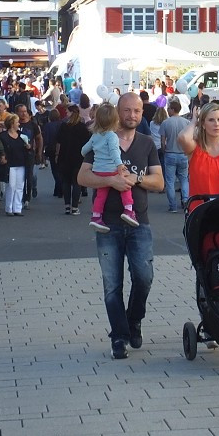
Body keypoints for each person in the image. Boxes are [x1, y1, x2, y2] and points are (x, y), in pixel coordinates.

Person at [76, 93, 164, 360]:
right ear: (118, 111)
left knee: (144, 277)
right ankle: (119, 336)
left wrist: (135, 179)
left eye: (137, 111)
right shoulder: (101, 137)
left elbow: (158, 182)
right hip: (108, 225)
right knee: (112, 285)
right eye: (127, 111)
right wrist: (111, 182)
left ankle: (133, 320)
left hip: (139, 222)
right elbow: (82, 176)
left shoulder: (147, 143)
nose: (133, 116)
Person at [82, 103, 139, 231]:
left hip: (98, 171)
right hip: (111, 169)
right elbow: (114, 151)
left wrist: (84, 153)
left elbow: (84, 149)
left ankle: (96, 216)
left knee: (101, 195)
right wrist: (119, 165)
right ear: (115, 120)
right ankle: (128, 210)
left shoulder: (95, 136)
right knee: (125, 186)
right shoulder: (112, 136)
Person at [55, 104, 91, 215]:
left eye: (67, 112)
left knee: (66, 182)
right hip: (78, 157)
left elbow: (58, 142)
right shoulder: (82, 127)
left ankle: (67, 206)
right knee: (76, 182)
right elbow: (87, 144)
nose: (66, 114)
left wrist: (57, 155)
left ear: (71, 113)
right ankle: (74, 207)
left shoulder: (64, 126)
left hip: (64, 157)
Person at [158, 97, 191, 212]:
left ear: (172, 109)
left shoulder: (165, 123)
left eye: (169, 108)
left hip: (170, 153)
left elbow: (163, 140)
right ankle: (186, 202)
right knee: (184, 179)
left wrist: (163, 150)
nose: (167, 110)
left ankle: (173, 206)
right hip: (183, 154)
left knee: (170, 181)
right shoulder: (186, 122)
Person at [0, 113, 31, 216]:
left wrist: (28, 147)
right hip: (10, 164)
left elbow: (28, 148)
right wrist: (2, 157)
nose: (18, 124)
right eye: (17, 122)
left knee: (20, 186)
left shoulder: (22, 135)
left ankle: (17, 208)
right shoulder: (3, 136)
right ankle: (9, 208)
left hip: (21, 163)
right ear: (12, 124)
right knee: (11, 186)